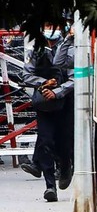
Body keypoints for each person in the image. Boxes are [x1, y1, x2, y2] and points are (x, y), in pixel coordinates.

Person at [22, 20, 74, 202]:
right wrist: (43, 84)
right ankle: (49, 185)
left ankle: (66, 167)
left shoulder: (70, 48)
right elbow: (27, 75)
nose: (51, 30)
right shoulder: (36, 49)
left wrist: (58, 92)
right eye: (47, 25)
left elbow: (75, 77)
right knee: (45, 142)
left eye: (55, 26)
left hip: (66, 103)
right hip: (45, 103)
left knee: (64, 142)